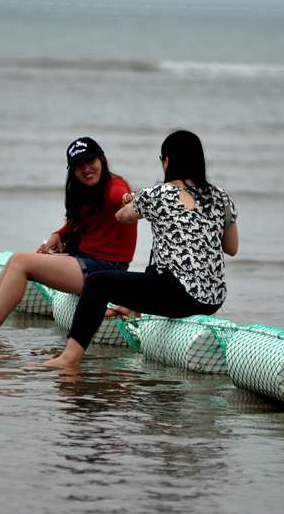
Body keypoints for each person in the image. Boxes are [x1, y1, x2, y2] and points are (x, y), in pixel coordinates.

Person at [42, 129, 239, 368]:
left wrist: (131, 202)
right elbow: (231, 248)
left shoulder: (157, 193)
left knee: (97, 283)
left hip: (179, 297)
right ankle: (133, 306)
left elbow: (122, 217)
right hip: (212, 299)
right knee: (161, 263)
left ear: (167, 162)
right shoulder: (221, 197)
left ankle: (68, 358)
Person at [0, 137, 137, 339]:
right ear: (73, 171)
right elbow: (78, 222)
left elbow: (119, 195)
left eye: (90, 161)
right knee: (14, 260)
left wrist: (128, 199)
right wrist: (59, 234)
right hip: (87, 261)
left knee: (21, 262)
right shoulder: (86, 191)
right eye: (79, 165)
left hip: (107, 269)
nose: (86, 169)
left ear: (101, 159)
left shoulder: (114, 186)